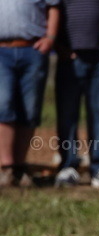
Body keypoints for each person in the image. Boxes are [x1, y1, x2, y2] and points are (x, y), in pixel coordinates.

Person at [53, 0, 99, 191]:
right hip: (70, 56)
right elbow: (52, 11)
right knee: (68, 113)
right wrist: (60, 48)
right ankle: (68, 166)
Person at [0, 0, 59, 188]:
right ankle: (6, 167)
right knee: (3, 106)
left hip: (32, 49)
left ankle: (20, 165)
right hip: (2, 51)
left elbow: (53, 8)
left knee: (30, 109)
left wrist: (50, 37)